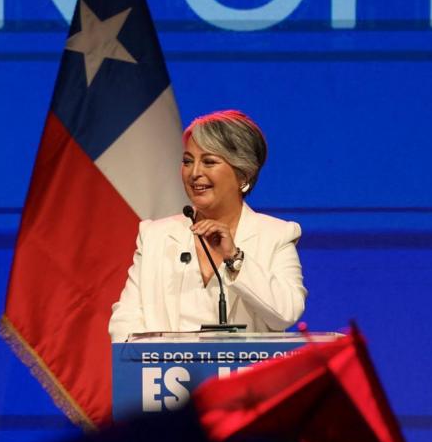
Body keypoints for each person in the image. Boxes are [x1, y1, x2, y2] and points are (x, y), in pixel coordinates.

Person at [108, 110, 306, 342]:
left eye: (209, 162)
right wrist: (164, 362)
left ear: (243, 174)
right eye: (188, 161)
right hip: (167, 376)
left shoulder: (275, 235)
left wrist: (234, 257)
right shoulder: (155, 236)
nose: (195, 173)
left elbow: (286, 313)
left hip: (244, 376)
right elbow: (126, 319)